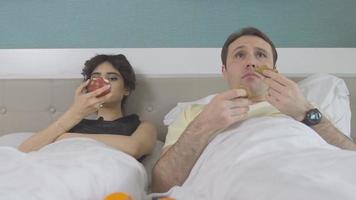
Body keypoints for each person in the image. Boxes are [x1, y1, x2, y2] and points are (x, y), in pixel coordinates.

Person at [151, 27, 356, 192]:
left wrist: (305, 112)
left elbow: (349, 155)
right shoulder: (195, 112)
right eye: (240, 55)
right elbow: (162, 184)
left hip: (314, 167)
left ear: (274, 70)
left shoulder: (304, 106)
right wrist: (204, 124)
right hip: (239, 175)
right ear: (224, 70)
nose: (251, 62)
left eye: (261, 55)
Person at [19, 54, 157, 159]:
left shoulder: (141, 126)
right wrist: (75, 112)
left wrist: (66, 138)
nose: (103, 82)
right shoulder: (72, 122)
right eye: (95, 78)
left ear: (126, 89)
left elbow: (134, 147)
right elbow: (23, 152)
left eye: (112, 78)